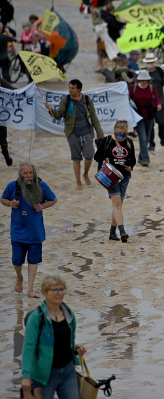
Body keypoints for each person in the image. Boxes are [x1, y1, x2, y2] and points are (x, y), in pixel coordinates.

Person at [20, 275, 88, 399]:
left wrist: (77, 352)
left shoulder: (69, 314)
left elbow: (68, 343)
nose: (59, 293)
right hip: (44, 375)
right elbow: (28, 348)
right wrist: (26, 377)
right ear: (44, 293)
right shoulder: (36, 318)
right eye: (55, 290)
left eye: (62, 289)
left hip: (68, 372)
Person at [1, 163, 57, 298]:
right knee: (17, 260)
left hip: (35, 231)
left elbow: (53, 199)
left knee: (33, 260)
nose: (28, 176)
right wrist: (10, 203)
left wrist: (42, 206)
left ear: (34, 173)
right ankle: (19, 277)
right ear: (20, 174)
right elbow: (3, 199)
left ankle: (30, 290)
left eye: (30, 173)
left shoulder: (41, 186)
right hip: (17, 230)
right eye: (25, 173)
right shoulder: (12, 186)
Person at [45, 79, 104, 190]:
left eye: (72, 88)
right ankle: (78, 182)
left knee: (89, 156)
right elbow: (58, 116)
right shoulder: (66, 100)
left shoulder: (86, 100)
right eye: (69, 88)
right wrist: (51, 110)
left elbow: (94, 117)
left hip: (86, 131)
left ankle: (85, 174)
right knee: (76, 158)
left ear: (79, 89)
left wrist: (100, 134)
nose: (70, 90)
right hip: (72, 133)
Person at [93, 120, 135, 242]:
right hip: (110, 177)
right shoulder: (107, 141)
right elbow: (97, 156)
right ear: (114, 131)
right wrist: (104, 160)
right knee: (116, 204)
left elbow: (132, 159)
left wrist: (130, 166)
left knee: (119, 206)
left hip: (125, 177)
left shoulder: (129, 142)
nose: (120, 136)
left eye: (123, 134)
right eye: (118, 133)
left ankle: (112, 232)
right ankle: (122, 232)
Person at [128, 71, 161, 168]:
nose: (143, 82)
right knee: (142, 138)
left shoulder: (152, 88)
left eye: (145, 80)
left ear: (148, 80)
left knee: (146, 138)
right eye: (142, 80)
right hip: (137, 117)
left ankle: (141, 158)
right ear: (139, 80)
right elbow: (128, 99)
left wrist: (158, 104)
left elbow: (156, 98)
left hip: (149, 116)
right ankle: (146, 160)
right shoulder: (133, 88)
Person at [142, 53, 164, 149]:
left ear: (154, 61)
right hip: (147, 102)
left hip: (160, 100)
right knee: (149, 124)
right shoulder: (143, 72)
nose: (150, 63)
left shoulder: (160, 71)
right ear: (146, 62)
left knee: (161, 121)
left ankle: (162, 136)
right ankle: (151, 143)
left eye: (152, 61)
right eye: (148, 62)